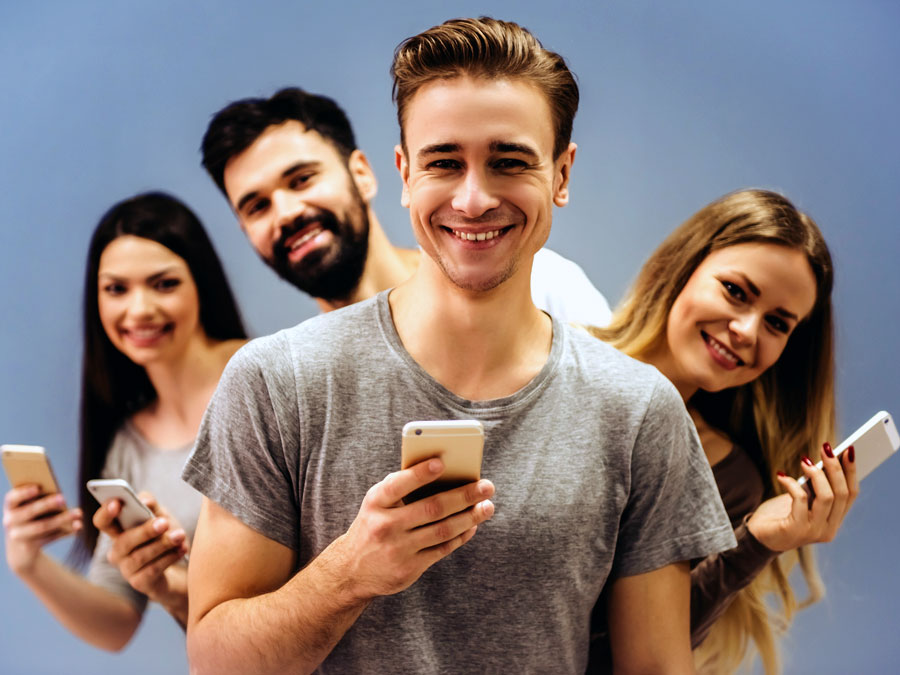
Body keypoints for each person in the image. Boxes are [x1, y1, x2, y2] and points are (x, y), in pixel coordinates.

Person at [182, 17, 736, 674]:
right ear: (404, 172)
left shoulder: (640, 411)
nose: (473, 199)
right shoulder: (277, 383)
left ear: (562, 173)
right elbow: (216, 661)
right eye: (445, 162)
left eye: (509, 161)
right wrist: (350, 571)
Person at [588, 188, 857, 674]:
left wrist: (756, 541)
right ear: (684, 266)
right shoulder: (554, 354)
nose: (748, 331)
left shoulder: (730, 479)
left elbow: (643, 655)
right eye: (736, 291)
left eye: (777, 323)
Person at [2, 192, 246, 651]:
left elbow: (299, 580)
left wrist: (173, 583)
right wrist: (27, 563)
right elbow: (116, 625)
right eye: (116, 289)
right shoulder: (127, 447)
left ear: (201, 283)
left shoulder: (267, 374)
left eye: (163, 284)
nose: (138, 310)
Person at [200, 86, 612, 325]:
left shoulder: (545, 285)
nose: (286, 212)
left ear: (362, 173)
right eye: (257, 206)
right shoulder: (297, 377)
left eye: (302, 179)